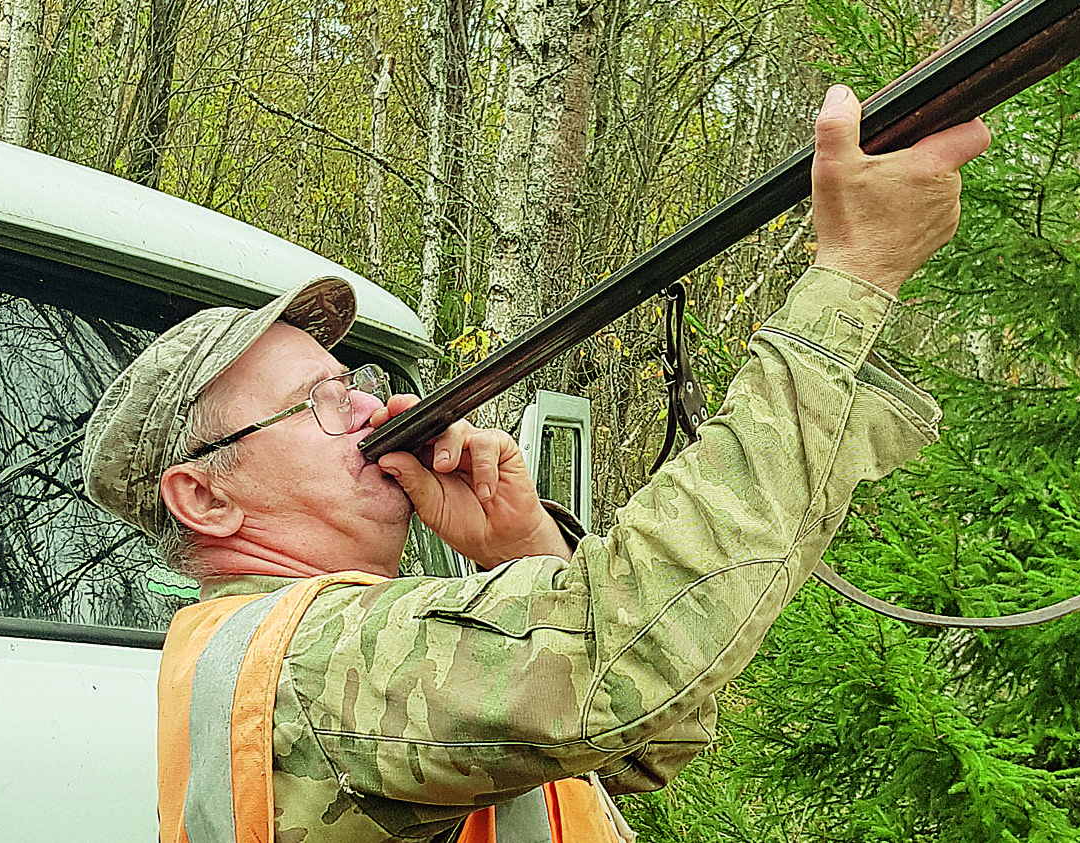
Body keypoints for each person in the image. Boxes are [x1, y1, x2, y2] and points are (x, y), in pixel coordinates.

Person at [81, 85, 990, 843]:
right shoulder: (304, 663)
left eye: (351, 380)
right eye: (318, 401)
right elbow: (628, 660)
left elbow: (647, 740)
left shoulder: (335, 641)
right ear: (205, 496)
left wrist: (523, 545)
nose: (367, 405)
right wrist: (855, 273)